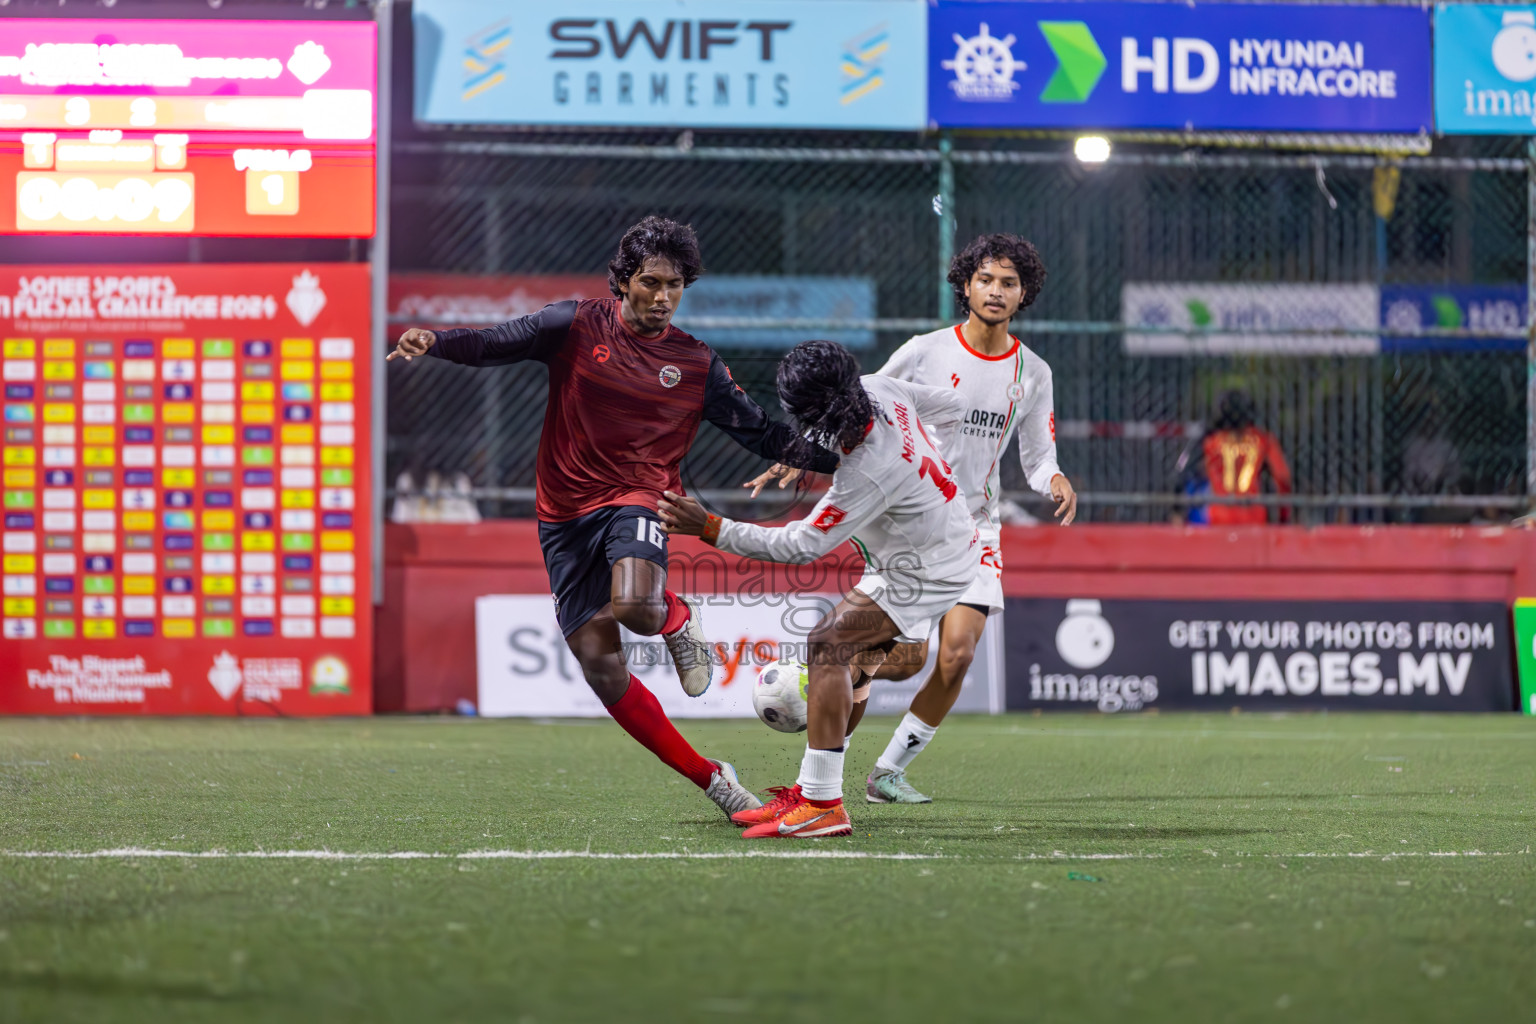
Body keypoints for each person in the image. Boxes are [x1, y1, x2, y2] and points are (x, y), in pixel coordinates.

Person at [388, 216, 838, 820]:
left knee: (634, 606)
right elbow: (495, 343)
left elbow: (759, 433)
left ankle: (677, 616)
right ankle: (715, 780)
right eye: (650, 282)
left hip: (638, 496)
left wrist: (840, 457)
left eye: (675, 285)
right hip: (562, 516)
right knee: (601, 669)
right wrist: (434, 342)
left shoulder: (697, 364)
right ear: (623, 282)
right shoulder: (572, 325)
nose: (662, 297)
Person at [745, 233, 1077, 804]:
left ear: (1025, 294)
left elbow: (1037, 454)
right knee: (905, 661)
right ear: (966, 285)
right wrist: (800, 453)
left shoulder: (1034, 372)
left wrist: (1054, 478)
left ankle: (887, 772)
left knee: (958, 654)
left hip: (977, 526)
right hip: (908, 525)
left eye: (1009, 283)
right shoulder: (925, 350)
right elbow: (858, 403)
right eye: (986, 279)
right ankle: (833, 728)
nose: (996, 291)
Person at [659, 339, 979, 839]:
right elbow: (955, 406)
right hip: (924, 550)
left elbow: (801, 546)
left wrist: (709, 527)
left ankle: (824, 806)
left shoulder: (868, 471)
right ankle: (815, 789)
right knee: (853, 663)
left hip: (927, 569)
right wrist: (931, 466)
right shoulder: (881, 389)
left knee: (828, 644)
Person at [1175, 390, 1292, 525]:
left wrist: (1177, 511)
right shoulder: (1263, 440)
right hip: (1254, 515)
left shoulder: (1211, 441)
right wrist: (1284, 516)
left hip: (1220, 514)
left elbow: (1182, 473)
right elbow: (1282, 477)